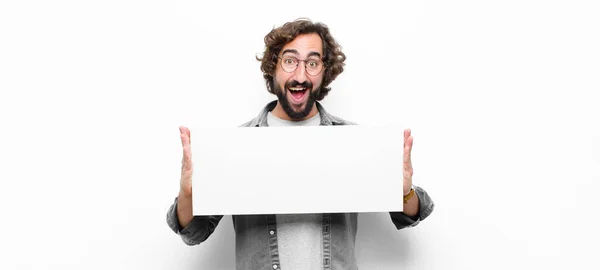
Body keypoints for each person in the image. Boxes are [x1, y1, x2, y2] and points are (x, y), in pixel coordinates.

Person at [166, 18, 435, 270]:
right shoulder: (237, 144)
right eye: (290, 61)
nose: (301, 75)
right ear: (273, 66)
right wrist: (188, 193)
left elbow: (411, 213)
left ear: (325, 71)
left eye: (313, 62)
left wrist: (403, 191)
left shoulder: (352, 141)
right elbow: (194, 231)